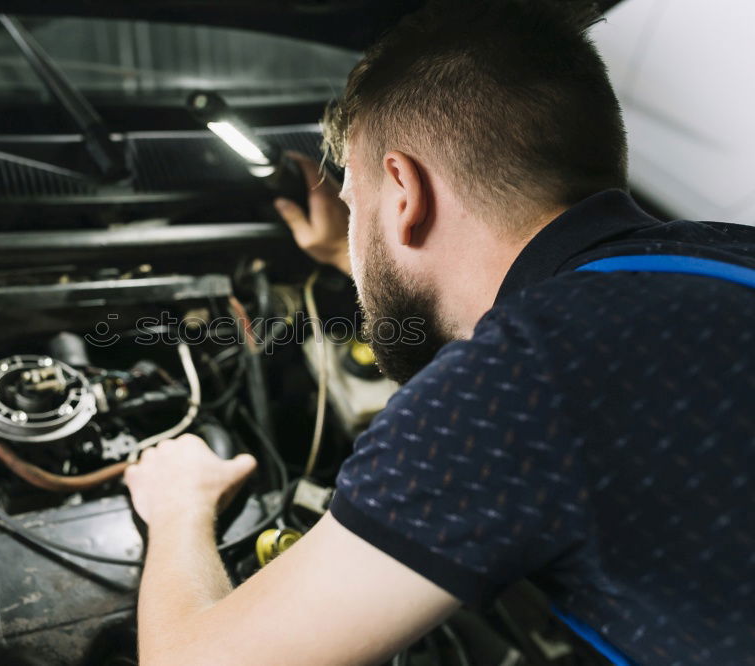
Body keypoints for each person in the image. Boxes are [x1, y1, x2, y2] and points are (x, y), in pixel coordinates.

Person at [123, 1, 755, 664]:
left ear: (405, 191)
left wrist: (178, 506)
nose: (350, 235)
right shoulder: (723, 254)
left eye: (353, 208)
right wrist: (358, 253)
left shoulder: (515, 387)